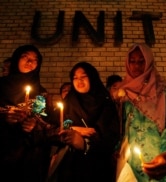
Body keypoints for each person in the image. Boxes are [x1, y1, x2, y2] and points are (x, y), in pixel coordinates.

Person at [116, 43, 166, 182]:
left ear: (149, 62)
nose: (136, 66)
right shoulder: (122, 92)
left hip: (160, 161)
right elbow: (122, 127)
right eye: (133, 61)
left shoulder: (163, 89)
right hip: (130, 163)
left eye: (141, 61)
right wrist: (117, 147)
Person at [48, 61, 120, 182]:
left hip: (97, 166)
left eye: (83, 76)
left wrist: (85, 143)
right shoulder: (69, 102)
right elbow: (55, 126)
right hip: (69, 165)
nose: (79, 81)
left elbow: (110, 136)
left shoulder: (105, 102)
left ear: (92, 77)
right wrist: (74, 129)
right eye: (75, 78)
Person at [0, 44, 56, 182]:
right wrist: (4, 118)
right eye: (25, 57)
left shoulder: (40, 93)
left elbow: (43, 122)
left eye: (35, 59)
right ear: (16, 59)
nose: (30, 62)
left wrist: (33, 126)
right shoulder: (1, 86)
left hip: (28, 159)